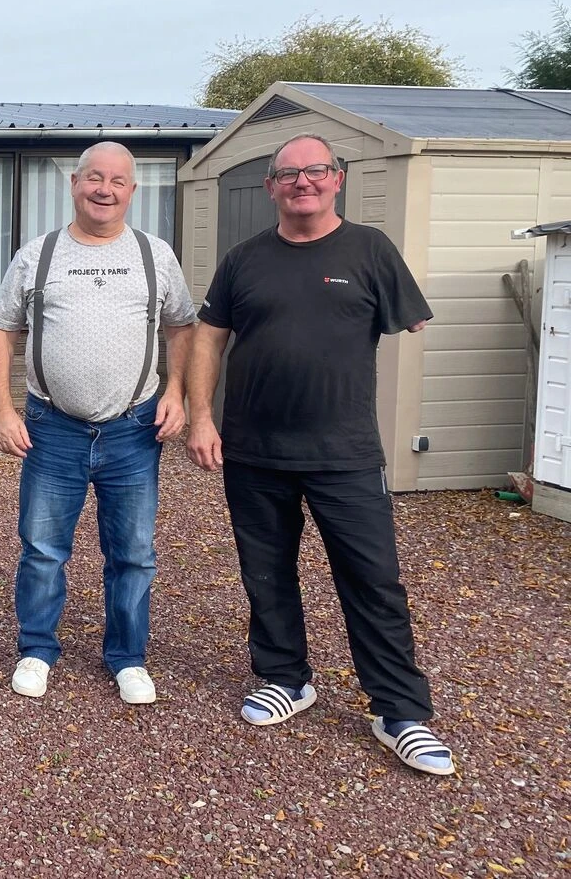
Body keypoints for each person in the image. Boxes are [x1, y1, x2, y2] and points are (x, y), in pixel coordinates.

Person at [185, 133, 456, 776]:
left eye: (316, 171)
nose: (302, 181)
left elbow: (410, 319)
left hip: (345, 452)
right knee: (266, 572)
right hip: (253, 451)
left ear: (337, 180)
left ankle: (400, 712)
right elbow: (208, 340)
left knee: (372, 580)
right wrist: (201, 417)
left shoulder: (371, 250)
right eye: (288, 174)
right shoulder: (243, 259)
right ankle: (285, 677)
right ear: (271, 187)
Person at [0, 141, 197, 704]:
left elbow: (182, 328)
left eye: (118, 181)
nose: (105, 190)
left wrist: (177, 393)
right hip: (53, 428)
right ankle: (36, 649)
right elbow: (2, 331)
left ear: (133, 190)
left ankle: (127, 657)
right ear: (75, 183)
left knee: (133, 552)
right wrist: (3, 410)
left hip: (134, 430)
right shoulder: (39, 255)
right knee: (43, 548)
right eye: (94, 178)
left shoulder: (156, 256)